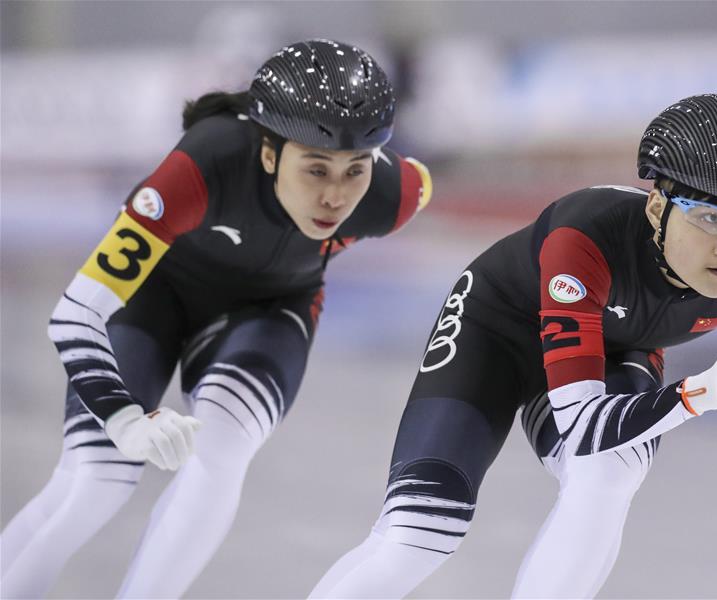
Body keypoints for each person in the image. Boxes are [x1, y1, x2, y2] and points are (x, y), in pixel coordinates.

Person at [308, 94, 717, 599]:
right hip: (498, 333)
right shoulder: (586, 235)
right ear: (657, 205)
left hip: (616, 350)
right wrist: (700, 393)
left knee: (607, 478)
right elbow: (583, 427)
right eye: (708, 217)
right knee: (419, 533)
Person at [0, 39, 432, 599]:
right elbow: (76, 313)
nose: (335, 196)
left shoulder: (392, 195)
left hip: (270, 311)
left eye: (355, 170)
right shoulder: (204, 165)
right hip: (155, 298)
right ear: (269, 153)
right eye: (316, 168)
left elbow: (421, 177)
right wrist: (123, 417)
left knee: (223, 449)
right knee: (95, 480)